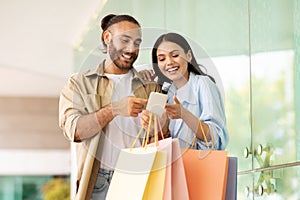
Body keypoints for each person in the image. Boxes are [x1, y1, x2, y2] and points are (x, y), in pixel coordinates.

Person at [59, 14, 165, 200]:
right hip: (97, 180)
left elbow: (162, 136)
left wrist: (156, 126)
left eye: (137, 42)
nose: (132, 49)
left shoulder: (150, 86)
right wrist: (114, 109)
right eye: (125, 40)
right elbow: (74, 131)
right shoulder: (79, 83)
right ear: (107, 38)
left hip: (138, 177)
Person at [141, 32, 229, 150]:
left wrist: (184, 114)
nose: (169, 62)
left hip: (200, 166)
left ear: (188, 56)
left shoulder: (203, 84)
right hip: (175, 166)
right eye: (162, 59)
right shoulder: (165, 92)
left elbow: (215, 139)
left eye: (175, 55)